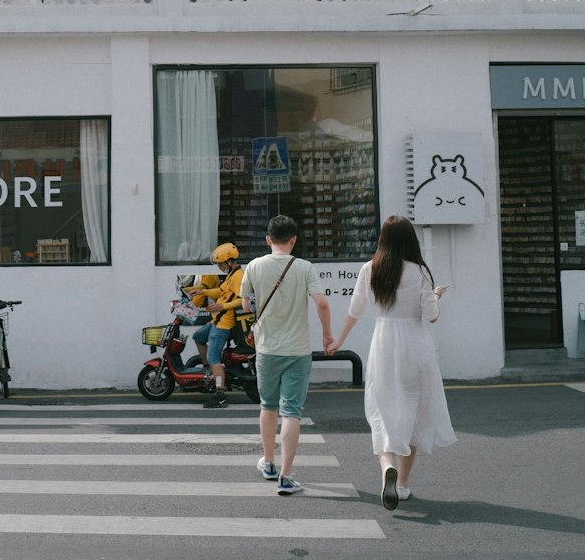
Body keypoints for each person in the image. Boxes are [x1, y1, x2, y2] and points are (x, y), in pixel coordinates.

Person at [328, 214, 454, 510]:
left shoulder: (369, 269)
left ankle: (387, 468)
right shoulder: (420, 271)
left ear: (382, 239)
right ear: (411, 240)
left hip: (384, 344)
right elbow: (432, 315)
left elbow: (355, 311)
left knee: (382, 409)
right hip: (415, 344)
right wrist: (437, 295)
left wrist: (338, 342)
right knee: (412, 411)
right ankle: (405, 485)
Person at [240, 214, 332, 496]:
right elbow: (323, 304)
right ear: (294, 240)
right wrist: (328, 335)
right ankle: (286, 476)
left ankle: (268, 463)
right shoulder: (305, 268)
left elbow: (245, 304)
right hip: (298, 351)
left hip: (266, 350)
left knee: (268, 406)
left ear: (268, 239)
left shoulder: (254, 266)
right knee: (291, 412)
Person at [185, 243, 244, 408]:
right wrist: (203, 292)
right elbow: (221, 292)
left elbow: (243, 299)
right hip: (216, 320)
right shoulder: (231, 275)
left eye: (220, 263)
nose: (219, 266)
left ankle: (220, 394)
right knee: (198, 337)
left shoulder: (238, 276)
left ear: (230, 261)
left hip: (224, 324)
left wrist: (222, 306)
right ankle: (209, 372)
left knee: (214, 358)